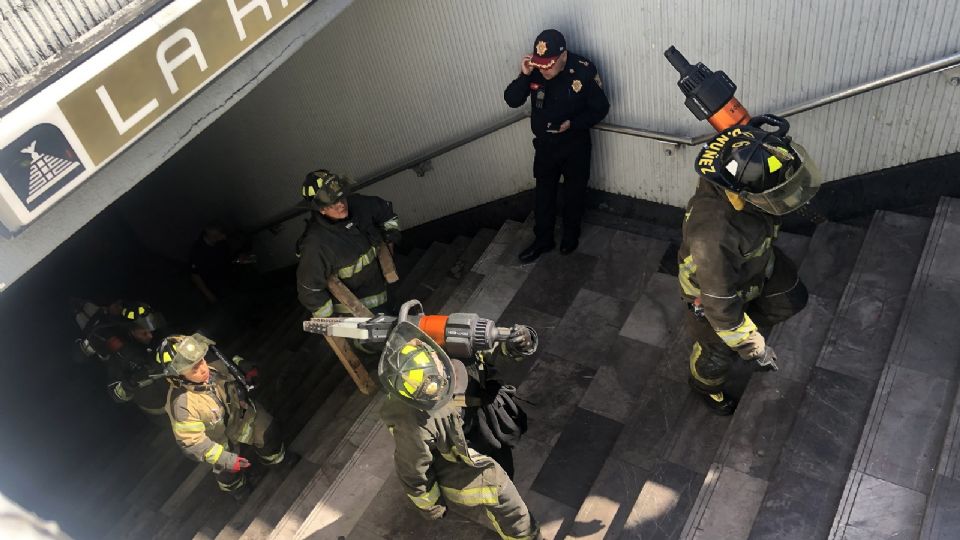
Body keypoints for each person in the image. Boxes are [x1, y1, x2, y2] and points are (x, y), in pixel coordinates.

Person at [678, 116, 819, 414]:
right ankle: (705, 386)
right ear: (742, 195)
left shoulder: (741, 165)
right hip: (715, 293)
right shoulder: (713, 238)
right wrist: (753, 346)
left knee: (792, 296)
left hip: (757, 264)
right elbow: (720, 304)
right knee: (718, 353)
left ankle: (748, 321)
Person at [378, 322, 541, 539]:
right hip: (453, 454)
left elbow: (487, 349)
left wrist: (517, 342)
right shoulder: (413, 422)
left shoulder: (449, 345)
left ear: (434, 354)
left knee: (503, 460)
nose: (443, 391)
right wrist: (431, 506)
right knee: (501, 492)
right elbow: (413, 468)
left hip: (474, 421)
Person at [504, 28, 610, 262]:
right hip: (545, 146)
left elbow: (600, 108)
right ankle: (543, 239)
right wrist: (524, 76)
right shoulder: (535, 69)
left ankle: (570, 236)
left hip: (575, 144)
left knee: (574, 193)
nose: (545, 70)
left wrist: (572, 124)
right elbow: (512, 100)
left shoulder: (582, 70)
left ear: (563, 56)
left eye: (550, 64)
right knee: (543, 194)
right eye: (541, 65)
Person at [159, 333, 286, 498]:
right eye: (194, 369)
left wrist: (247, 369)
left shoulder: (214, 362)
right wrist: (225, 458)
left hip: (240, 417)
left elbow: (234, 362)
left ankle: (276, 461)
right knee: (227, 470)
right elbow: (192, 443)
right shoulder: (182, 405)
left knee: (269, 432)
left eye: (201, 361)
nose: (203, 369)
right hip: (218, 442)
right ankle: (237, 488)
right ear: (178, 377)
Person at [295, 169, 400, 318]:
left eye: (341, 197)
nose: (341, 204)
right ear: (321, 209)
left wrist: (390, 241)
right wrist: (335, 323)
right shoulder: (316, 245)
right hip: (357, 314)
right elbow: (309, 290)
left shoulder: (360, 205)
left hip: (385, 289)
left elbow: (387, 214)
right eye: (333, 203)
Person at [106, 301, 170, 418]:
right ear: (131, 332)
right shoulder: (120, 356)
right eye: (144, 333)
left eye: (151, 331)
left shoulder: (162, 338)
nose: (150, 336)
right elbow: (115, 394)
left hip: (184, 400)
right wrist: (130, 382)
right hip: (159, 414)